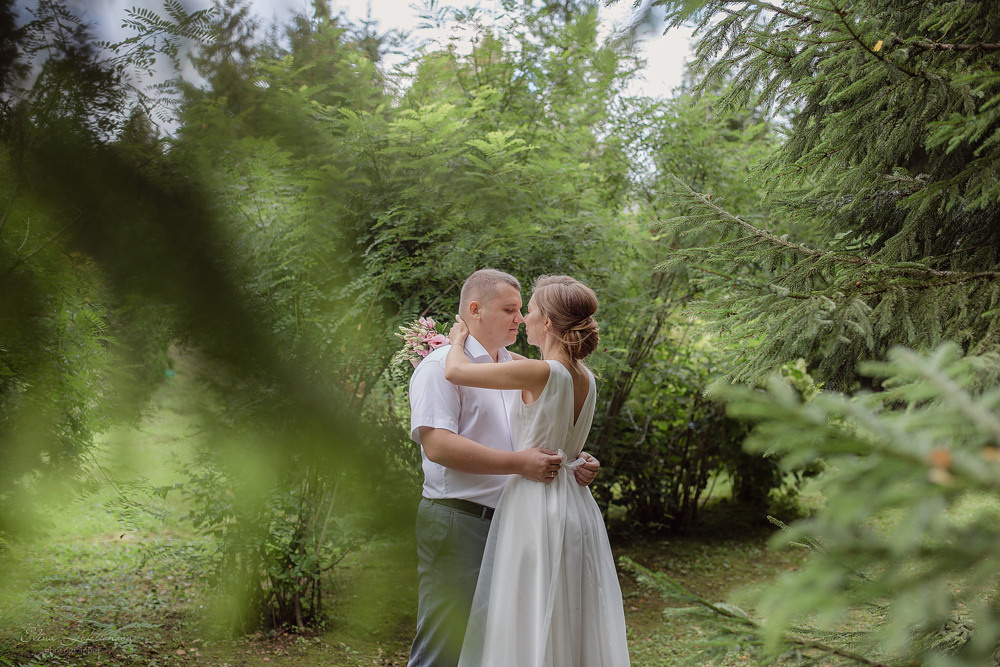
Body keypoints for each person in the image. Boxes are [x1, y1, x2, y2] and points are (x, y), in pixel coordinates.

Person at [408, 269, 600, 667]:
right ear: (474, 310)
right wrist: (521, 464)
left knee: (501, 645)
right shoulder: (439, 365)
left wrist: (573, 460)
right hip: (460, 520)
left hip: (519, 524)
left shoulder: (522, 368)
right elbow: (438, 445)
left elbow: (539, 435)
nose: (518, 317)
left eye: (522, 309)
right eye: (510, 309)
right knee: (445, 644)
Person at [447, 275, 629, 667]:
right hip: (576, 507)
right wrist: (583, 460)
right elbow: (566, 441)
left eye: (527, 311)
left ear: (546, 323)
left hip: (536, 505)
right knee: (572, 612)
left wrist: (458, 336)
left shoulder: (541, 372)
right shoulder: (587, 378)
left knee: (527, 611)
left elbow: (456, 372)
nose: (523, 319)